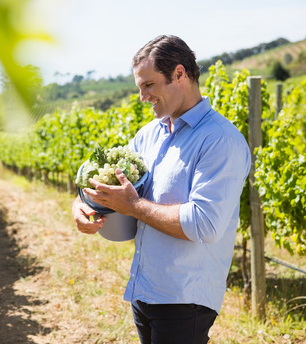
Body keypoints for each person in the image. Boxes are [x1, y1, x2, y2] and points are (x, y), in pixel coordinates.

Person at [71, 35, 251, 344]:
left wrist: (135, 207)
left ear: (179, 74)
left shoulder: (220, 140)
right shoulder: (148, 135)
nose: (142, 97)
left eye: (149, 85)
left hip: (185, 298)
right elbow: (113, 185)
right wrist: (83, 205)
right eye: (139, 87)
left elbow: (204, 224)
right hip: (145, 290)